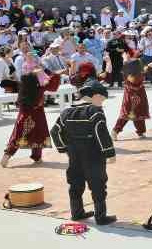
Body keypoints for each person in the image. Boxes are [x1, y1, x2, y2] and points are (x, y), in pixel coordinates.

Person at [50, 79, 117, 225]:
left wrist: (63, 148)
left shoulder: (66, 112)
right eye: (102, 99)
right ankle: (100, 217)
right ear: (95, 96)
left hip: (74, 153)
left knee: (75, 183)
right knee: (97, 184)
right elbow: (101, 133)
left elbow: (55, 131)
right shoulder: (94, 111)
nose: (102, 102)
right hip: (93, 154)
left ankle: (77, 213)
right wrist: (109, 153)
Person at [1, 72, 61, 167]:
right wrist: (55, 74)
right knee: (38, 136)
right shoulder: (40, 89)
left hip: (24, 117)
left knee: (18, 136)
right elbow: (53, 86)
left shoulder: (22, 89)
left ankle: (7, 155)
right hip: (38, 117)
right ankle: (37, 157)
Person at [112, 52, 152, 140]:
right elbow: (148, 66)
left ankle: (139, 132)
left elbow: (148, 65)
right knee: (128, 113)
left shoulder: (129, 72)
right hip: (131, 96)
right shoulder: (134, 73)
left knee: (138, 113)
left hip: (137, 94)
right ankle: (115, 131)